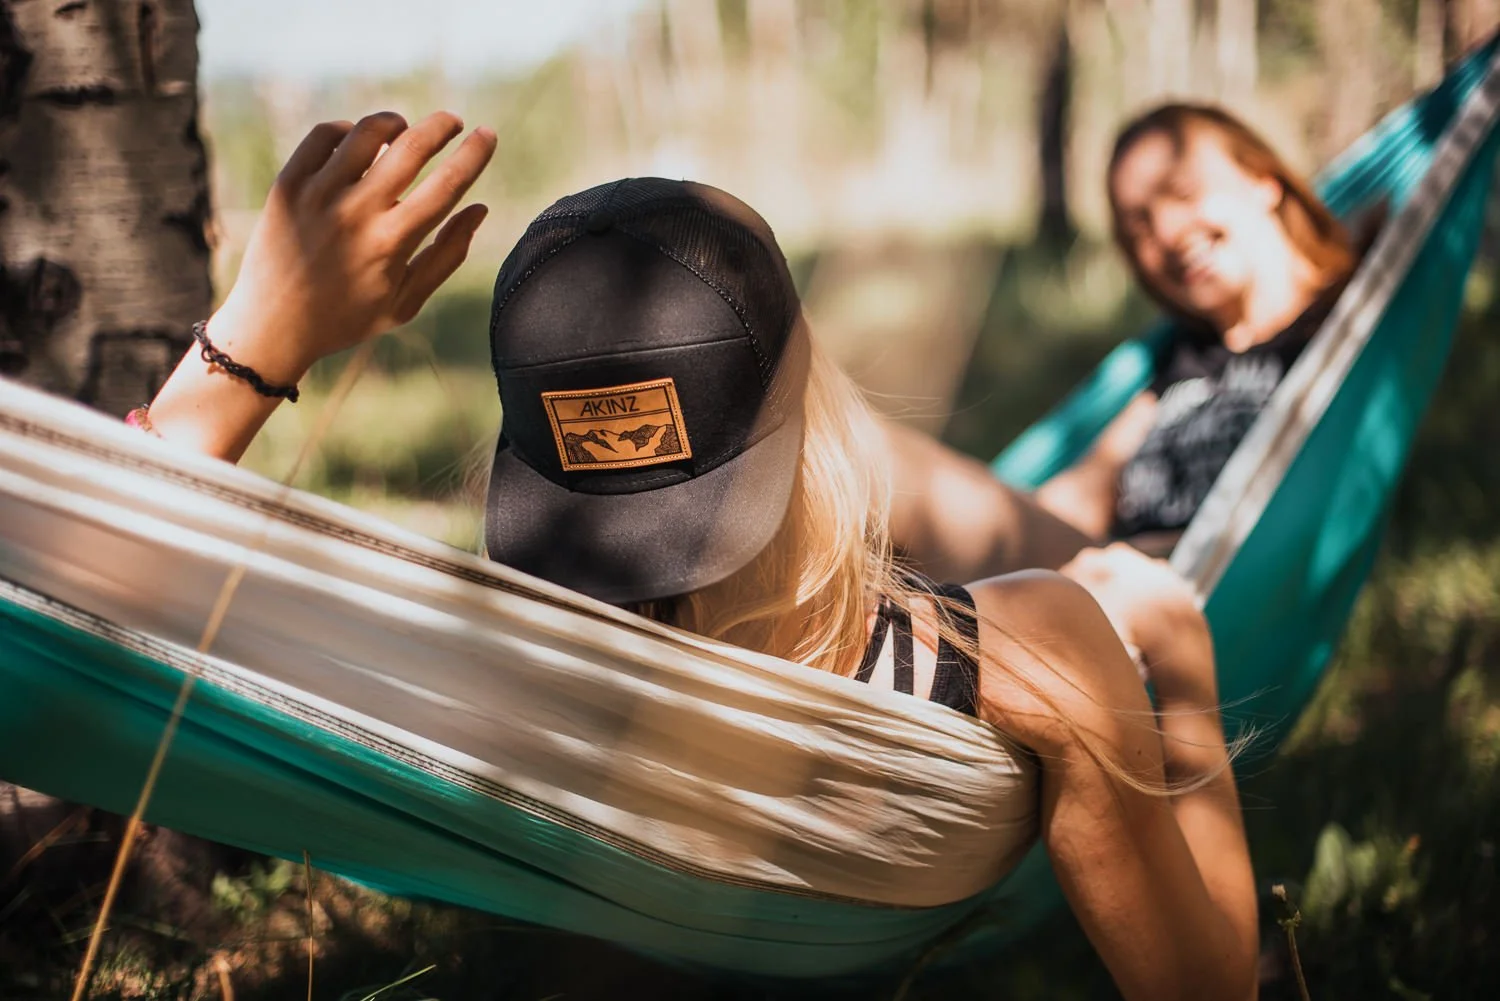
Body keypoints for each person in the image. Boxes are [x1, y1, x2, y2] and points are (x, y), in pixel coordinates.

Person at [134, 111, 1257, 1001]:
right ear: (812, 398)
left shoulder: (476, 677)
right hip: (978, 651)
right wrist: (1179, 660)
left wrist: (258, 339)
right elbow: (1207, 984)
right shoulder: (1026, 650)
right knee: (1084, 567)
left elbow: (109, 595)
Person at [888, 102, 1360, 580]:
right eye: (1139, 226)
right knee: (880, 469)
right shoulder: (1184, 355)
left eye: (1183, 192)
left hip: (1182, 593)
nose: (1169, 234)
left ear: (1264, 181)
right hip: (1088, 583)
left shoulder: (1349, 323)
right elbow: (1085, 493)